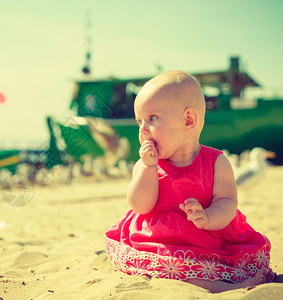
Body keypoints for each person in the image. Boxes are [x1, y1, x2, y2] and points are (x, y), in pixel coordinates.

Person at [105, 70, 275, 293]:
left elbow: (227, 202)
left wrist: (208, 217)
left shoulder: (217, 162)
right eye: (139, 122)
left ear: (188, 120)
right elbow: (140, 205)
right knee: (172, 270)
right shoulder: (147, 164)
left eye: (152, 118)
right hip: (159, 241)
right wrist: (147, 167)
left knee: (207, 266)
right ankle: (224, 287)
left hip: (205, 238)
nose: (143, 130)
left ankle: (227, 284)